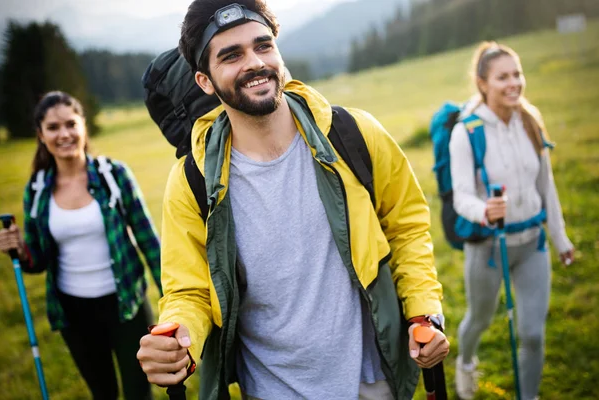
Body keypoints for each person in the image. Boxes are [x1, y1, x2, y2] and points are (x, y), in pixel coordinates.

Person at [136, 1, 449, 399]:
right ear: (205, 81)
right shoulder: (191, 181)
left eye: (263, 46)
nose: (254, 62)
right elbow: (189, 291)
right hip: (271, 389)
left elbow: (406, 229)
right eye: (231, 55)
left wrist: (424, 312)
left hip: (371, 382)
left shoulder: (354, 134)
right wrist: (178, 338)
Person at [0, 91, 162, 400]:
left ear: (83, 127)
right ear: (41, 134)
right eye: (53, 127)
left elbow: (150, 244)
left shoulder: (114, 175)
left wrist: (174, 304)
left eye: (71, 124)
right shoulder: (36, 190)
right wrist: (18, 249)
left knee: (139, 393)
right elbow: (37, 261)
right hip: (73, 314)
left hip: (126, 305)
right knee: (102, 394)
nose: (64, 134)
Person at [449, 42, 575, 400]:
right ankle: (467, 361)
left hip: (532, 243)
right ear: (482, 83)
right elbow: (461, 196)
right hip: (489, 247)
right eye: (502, 77)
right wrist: (483, 211)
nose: (513, 83)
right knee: (480, 319)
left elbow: (545, 185)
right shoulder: (467, 132)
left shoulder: (531, 120)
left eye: (517, 74)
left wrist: (560, 239)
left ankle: (529, 395)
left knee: (533, 333)